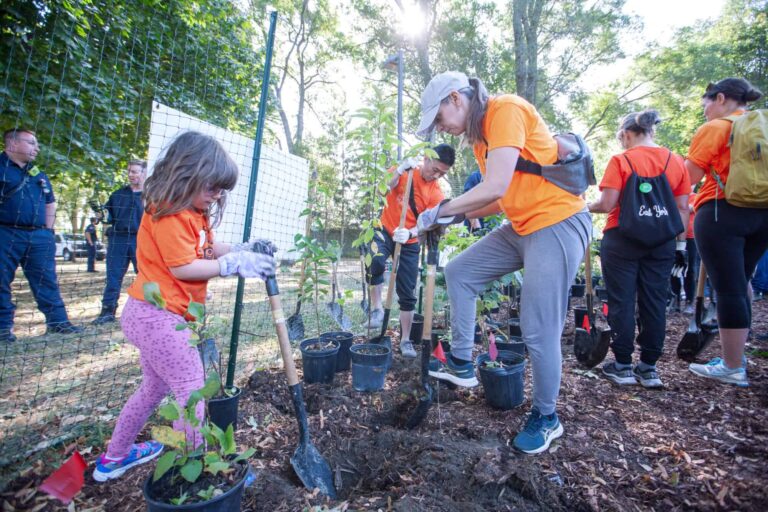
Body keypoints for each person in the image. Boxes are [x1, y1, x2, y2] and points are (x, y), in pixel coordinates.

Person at [415, 72, 591, 454]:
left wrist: (441, 208)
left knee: (537, 328)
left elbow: (494, 186)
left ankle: (547, 416)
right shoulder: (482, 138)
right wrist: (454, 217)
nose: (441, 128)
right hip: (523, 224)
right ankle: (461, 361)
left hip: (558, 222)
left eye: (439, 118)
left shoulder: (505, 110)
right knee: (460, 272)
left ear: (456, 99)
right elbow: (501, 197)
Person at [93, 131, 276, 482]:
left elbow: (204, 249)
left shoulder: (192, 212)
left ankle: (114, 458)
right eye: (213, 187)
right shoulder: (170, 214)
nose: (218, 195)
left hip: (153, 315)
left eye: (221, 190)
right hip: (157, 317)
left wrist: (242, 248)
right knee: (192, 393)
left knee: (153, 389)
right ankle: (197, 473)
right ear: (186, 174)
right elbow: (183, 267)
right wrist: (231, 266)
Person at [587, 110, 690, 388]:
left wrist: (585, 206)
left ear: (626, 134)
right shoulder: (675, 161)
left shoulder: (621, 160)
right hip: (661, 242)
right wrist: (677, 243)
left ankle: (622, 366)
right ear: (651, 131)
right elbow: (682, 208)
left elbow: (607, 204)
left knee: (621, 300)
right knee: (654, 301)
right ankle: (649, 367)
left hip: (622, 238)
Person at [686, 78, 768, 387]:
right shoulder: (761, 126)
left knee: (728, 288)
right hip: (762, 213)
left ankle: (732, 366)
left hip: (722, 211)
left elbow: (689, 176)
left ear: (720, 98)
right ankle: (738, 356)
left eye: (706, 104)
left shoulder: (717, 127)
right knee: (741, 281)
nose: (705, 111)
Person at [366, 144, 455, 358]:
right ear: (426, 158)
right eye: (435, 169)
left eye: (442, 173)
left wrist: (410, 233)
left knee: (407, 291)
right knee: (375, 261)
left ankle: (405, 340)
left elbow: (430, 223)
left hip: (409, 239)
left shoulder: (436, 193)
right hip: (384, 228)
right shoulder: (406, 170)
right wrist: (399, 170)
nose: (437, 176)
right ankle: (377, 309)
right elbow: (381, 190)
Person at [0, 128, 83, 343]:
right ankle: (3, 329)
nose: (37, 148)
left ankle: (58, 322)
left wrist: (47, 231)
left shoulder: (37, 173)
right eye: (31, 143)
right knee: (1, 280)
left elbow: (50, 202)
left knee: (47, 280)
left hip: (39, 236)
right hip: (5, 233)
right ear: (12, 143)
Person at [93, 160, 146, 325]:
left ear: (144, 173)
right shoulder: (117, 194)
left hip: (141, 240)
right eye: (129, 171)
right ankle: (107, 312)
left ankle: (148, 311)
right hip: (118, 239)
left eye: (135, 171)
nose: (131, 175)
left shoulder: (152, 196)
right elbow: (108, 216)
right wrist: (99, 216)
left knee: (145, 276)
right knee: (113, 276)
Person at [670, 189, 699, 314]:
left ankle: (689, 301)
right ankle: (675, 300)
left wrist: (682, 207)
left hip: (691, 238)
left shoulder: (696, 197)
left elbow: (692, 208)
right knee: (674, 269)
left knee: (690, 269)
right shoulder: (673, 196)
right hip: (674, 237)